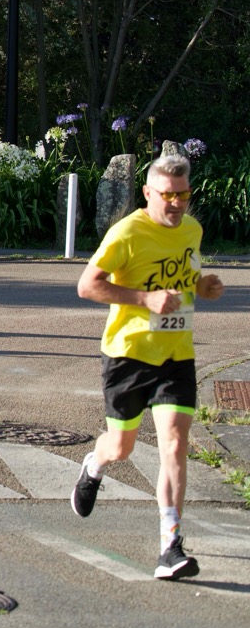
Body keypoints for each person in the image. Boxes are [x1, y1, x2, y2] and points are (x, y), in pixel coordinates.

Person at [72, 154, 225, 581]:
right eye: (167, 196)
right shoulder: (127, 232)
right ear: (147, 193)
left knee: (174, 443)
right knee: (121, 448)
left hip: (176, 354)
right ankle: (94, 465)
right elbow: (87, 286)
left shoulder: (192, 230)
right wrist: (145, 299)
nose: (176, 204)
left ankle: (169, 546)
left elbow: (187, 275)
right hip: (128, 354)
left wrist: (203, 285)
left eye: (183, 195)